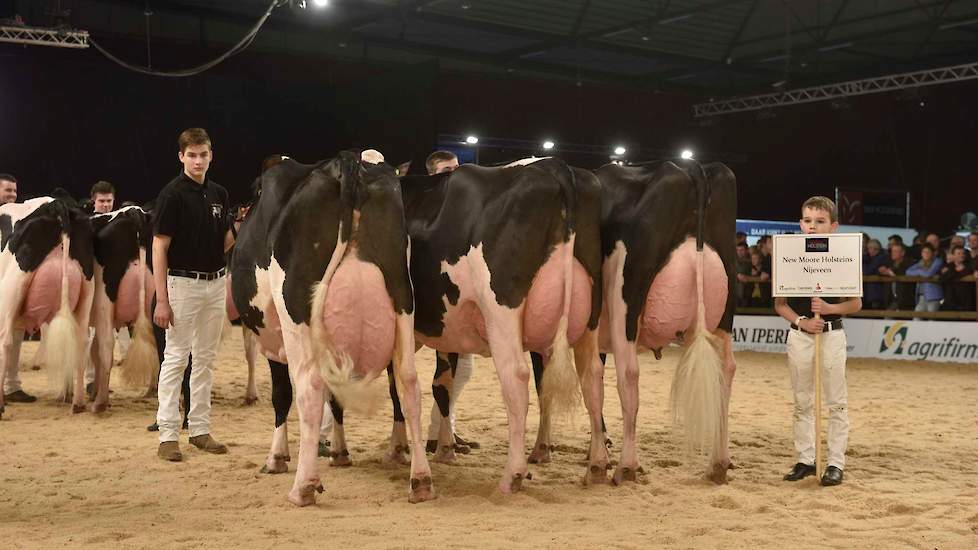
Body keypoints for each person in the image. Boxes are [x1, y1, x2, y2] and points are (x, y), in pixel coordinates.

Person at [152, 128, 233, 462]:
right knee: (176, 358)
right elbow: (159, 246)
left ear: (211, 155)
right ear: (181, 156)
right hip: (181, 283)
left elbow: (228, 240)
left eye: (204, 154)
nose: (198, 160)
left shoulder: (219, 193)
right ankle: (168, 435)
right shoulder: (172, 195)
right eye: (192, 155)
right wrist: (161, 298)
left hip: (215, 283)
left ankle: (199, 429)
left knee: (205, 359)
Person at [774, 196, 861, 487]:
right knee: (802, 402)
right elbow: (781, 305)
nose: (813, 227)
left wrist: (829, 309)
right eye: (808, 221)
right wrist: (802, 321)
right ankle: (805, 459)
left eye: (820, 221)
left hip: (832, 335)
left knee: (836, 402)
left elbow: (855, 304)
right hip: (800, 336)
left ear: (833, 226)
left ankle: (835, 462)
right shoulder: (788, 256)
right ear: (801, 224)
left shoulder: (846, 258)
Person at [421, 150, 479, 453]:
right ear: (431, 174)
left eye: (456, 168)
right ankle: (325, 432)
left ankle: (442, 430)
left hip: (450, 300)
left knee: (460, 369)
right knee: (361, 367)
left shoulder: (459, 206)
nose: (453, 174)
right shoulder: (429, 207)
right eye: (446, 169)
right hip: (428, 300)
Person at [0, 173, 36, 404]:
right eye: (7, 190)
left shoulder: (18, 220)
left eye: (14, 190)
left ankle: (12, 385)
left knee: (14, 333)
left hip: (7, 284)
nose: (12, 194)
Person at [906, 243, 943, 313]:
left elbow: (928, 274)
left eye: (928, 252)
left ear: (933, 253)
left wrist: (919, 272)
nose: (926, 254)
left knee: (931, 318)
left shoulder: (937, 261)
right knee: (916, 316)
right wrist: (920, 271)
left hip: (934, 296)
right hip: (921, 296)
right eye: (924, 252)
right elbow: (908, 272)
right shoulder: (920, 263)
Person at [878, 242, 916, 311]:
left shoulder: (909, 263)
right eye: (892, 251)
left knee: (889, 315)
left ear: (902, 253)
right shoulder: (889, 263)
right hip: (890, 298)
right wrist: (882, 271)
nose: (893, 253)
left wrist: (890, 272)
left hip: (904, 299)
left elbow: (904, 273)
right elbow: (879, 270)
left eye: (895, 251)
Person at [939, 245, 976, 312]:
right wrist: (953, 270)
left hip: (966, 300)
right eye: (959, 253)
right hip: (951, 300)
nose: (961, 255)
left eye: (963, 253)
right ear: (953, 255)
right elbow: (942, 279)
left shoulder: (970, 266)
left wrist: (956, 272)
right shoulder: (949, 266)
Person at [862, 239, 887, 310]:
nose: (868, 250)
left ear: (876, 249)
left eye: (870, 248)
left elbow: (868, 271)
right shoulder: (867, 258)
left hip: (876, 292)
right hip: (868, 292)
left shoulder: (881, 258)